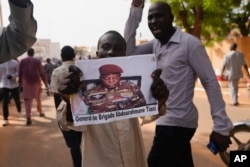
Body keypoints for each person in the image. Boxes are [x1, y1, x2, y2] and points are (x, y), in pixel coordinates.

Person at [124, 1, 233, 166]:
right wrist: (136, 11)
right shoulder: (156, 45)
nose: (154, 21)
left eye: (159, 16)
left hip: (177, 122)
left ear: (172, 18)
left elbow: (210, 82)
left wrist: (221, 126)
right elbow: (128, 52)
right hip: (166, 119)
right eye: (150, 18)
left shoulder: (190, 44)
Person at [57, 31, 148, 167]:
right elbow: (68, 122)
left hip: (133, 159)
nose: (111, 52)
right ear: (97, 54)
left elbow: (150, 111)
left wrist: (158, 97)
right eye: (106, 47)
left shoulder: (132, 88)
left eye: (118, 49)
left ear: (125, 55)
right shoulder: (85, 91)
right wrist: (69, 100)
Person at [50, 46, 82, 167]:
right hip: (83, 113)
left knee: (74, 147)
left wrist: (59, 116)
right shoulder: (81, 69)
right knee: (85, 143)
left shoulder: (57, 71)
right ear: (74, 55)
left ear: (61, 56)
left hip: (66, 114)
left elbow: (56, 96)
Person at [82, 64, 146, 114]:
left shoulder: (131, 87)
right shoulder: (89, 94)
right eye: (106, 79)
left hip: (127, 124)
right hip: (102, 127)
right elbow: (83, 114)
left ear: (120, 77)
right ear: (100, 78)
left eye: (115, 78)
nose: (111, 81)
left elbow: (142, 106)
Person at [18, 48, 48, 125]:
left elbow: (20, 73)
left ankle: (28, 117)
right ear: (33, 53)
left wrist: (20, 83)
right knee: (38, 99)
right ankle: (40, 112)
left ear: (27, 53)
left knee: (27, 101)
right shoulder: (37, 61)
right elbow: (42, 73)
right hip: (36, 83)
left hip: (26, 83)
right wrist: (46, 83)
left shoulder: (22, 61)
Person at [0, 59, 21, 126]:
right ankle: (5, 119)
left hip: (14, 84)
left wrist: (13, 76)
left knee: (17, 99)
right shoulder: (1, 64)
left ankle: (19, 108)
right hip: (4, 85)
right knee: (5, 102)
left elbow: (18, 72)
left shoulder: (14, 63)